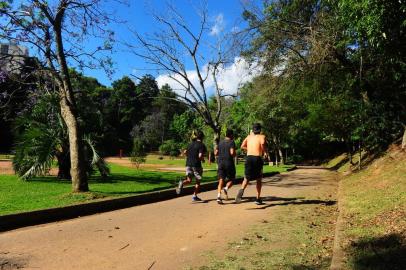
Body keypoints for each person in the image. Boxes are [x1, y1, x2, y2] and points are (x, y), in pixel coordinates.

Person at [235, 123, 268, 205]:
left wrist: (249, 148)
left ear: (253, 130)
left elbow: (242, 146)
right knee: (259, 178)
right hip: (257, 158)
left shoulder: (249, 137)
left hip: (249, 158)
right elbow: (263, 143)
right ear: (260, 130)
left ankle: (241, 190)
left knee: (246, 177)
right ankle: (258, 198)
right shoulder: (262, 136)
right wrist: (265, 152)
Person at [176, 130, 207, 201]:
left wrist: (189, 156)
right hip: (196, 165)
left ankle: (181, 183)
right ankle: (194, 196)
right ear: (202, 137)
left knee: (189, 180)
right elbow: (200, 156)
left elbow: (185, 152)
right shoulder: (201, 145)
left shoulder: (191, 144)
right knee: (198, 181)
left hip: (188, 164)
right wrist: (202, 160)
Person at [214, 129, 236, 204]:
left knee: (221, 180)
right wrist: (235, 154)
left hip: (220, 163)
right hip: (229, 163)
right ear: (231, 135)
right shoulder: (231, 142)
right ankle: (226, 188)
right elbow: (232, 152)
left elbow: (216, 153)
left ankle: (218, 197)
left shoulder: (220, 142)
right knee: (232, 179)